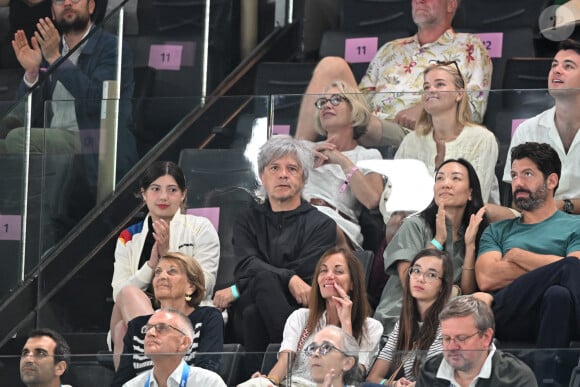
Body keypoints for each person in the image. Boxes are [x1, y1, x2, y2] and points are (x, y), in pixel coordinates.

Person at [294, 0, 492, 147]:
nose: (419, 1)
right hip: (369, 123)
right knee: (331, 65)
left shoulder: (469, 46)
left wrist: (425, 109)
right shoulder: (391, 48)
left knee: (351, 121)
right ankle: (296, 153)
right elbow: (361, 101)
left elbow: (473, 110)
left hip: (418, 134)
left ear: (451, 5)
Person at [212, 135, 337, 365]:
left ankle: (261, 378)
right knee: (254, 299)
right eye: (274, 168)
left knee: (254, 310)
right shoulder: (246, 220)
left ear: (304, 178)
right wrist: (289, 277)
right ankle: (293, 367)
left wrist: (239, 288)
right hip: (252, 305)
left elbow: (306, 282)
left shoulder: (322, 225)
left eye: (292, 168)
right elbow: (245, 265)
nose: (282, 175)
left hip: (297, 311)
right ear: (261, 176)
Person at [0, 0, 137, 185]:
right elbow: (24, 112)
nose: (67, 3)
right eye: (59, 1)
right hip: (53, 136)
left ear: (91, 6)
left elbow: (97, 101)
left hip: (96, 138)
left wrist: (56, 59)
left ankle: (29, 209)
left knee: (18, 140)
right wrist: (32, 73)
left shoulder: (111, 48)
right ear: (52, 12)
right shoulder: (49, 50)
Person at [110, 161, 220, 369]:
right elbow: (119, 294)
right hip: (137, 313)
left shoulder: (200, 227)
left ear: (183, 195)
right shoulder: (128, 237)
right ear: (144, 194)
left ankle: (157, 370)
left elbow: (207, 284)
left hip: (187, 308)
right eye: (155, 189)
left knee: (121, 331)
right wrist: (151, 265)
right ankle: (158, 365)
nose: (163, 197)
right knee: (127, 297)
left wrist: (168, 254)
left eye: (172, 190)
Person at [476, 142, 580, 348]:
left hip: (558, 314)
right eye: (514, 175)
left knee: (558, 294)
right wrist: (556, 266)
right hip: (509, 311)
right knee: (567, 267)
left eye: (528, 174)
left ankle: (547, 377)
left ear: (551, 181)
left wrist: (517, 256)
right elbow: (487, 278)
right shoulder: (498, 230)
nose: (518, 182)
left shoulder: (575, 225)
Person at [374, 158, 488, 334]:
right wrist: (438, 240)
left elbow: (467, 292)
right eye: (440, 178)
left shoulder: (471, 232)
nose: (445, 184)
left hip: (441, 322)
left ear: (470, 193)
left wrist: (470, 246)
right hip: (400, 318)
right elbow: (411, 283)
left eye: (455, 178)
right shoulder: (414, 225)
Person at [239, 247, 383, 386]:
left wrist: (346, 323)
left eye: (338, 271)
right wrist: (269, 382)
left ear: (352, 283)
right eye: (323, 270)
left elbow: (352, 379)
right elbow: (285, 360)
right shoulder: (301, 317)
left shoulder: (371, 328)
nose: (329, 276)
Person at [112, 252, 224, 387]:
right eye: (158, 272)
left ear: (191, 287)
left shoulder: (208, 317)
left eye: (172, 272)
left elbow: (207, 369)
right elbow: (123, 380)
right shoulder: (138, 325)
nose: (162, 276)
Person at [395, 61, 499, 203]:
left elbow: (475, 199)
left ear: (459, 94)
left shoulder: (482, 139)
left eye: (439, 84)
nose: (430, 90)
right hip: (414, 220)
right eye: (426, 86)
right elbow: (391, 193)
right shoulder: (411, 141)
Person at [304, 80, 384, 250]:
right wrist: (303, 159)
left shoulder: (367, 155)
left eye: (335, 100)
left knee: (320, 226)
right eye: (322, 102)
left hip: (336, 225)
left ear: (354, 108)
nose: (326, 106)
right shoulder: (305, 149)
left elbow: (372, 200)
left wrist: (342, 161)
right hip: (297, 218)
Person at [503, 39, 580, 214]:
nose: (557, 70)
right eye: (554, 65)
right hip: (538, 226)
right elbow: (518, 200)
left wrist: (564, 206)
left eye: (568, 66)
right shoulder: (527, 130)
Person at [365, 249, 453, 387]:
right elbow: (373, 378)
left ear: (443, 285)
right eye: (416, 271)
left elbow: (442, 381)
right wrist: (394, 384)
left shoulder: (449, 326)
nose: (420, 279)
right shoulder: (403, 324)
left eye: (431, 274)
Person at [416, 295, 537, 387]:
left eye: (461, 338)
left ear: (486, 337)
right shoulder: (430, 371)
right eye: (446, 338)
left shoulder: (516, 378)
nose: (452, 347)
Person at [122, 308, 226, 387]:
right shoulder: (131, 386)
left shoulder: (208, 383)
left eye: (162, 328)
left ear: (184, 343)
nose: (150, 333)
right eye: (148, 328)